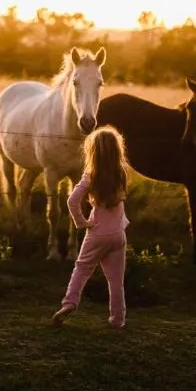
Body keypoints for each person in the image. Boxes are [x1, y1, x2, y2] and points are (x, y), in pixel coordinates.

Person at [52, 126, 130, 329]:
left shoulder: (90, 176)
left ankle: (70, 302)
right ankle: (117, 319)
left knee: (82, 269)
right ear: (117, 150)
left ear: (92, 151)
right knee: (116, 281)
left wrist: (81, 222)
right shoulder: (121, 173)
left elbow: (72, 201)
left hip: (97, 233)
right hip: (118, 235)